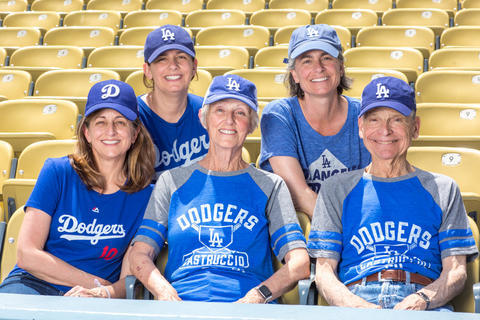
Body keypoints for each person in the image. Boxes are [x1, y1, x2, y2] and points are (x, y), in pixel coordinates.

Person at [129, 74, 310, 303]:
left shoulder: (270, 185)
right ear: (203, 119)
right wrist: (164, 292)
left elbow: (300, 263)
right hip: (182, 306)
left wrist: (258, 296)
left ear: (252, 124)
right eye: (220, 110)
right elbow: (140, 253)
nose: (229, 120)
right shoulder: (172, 181)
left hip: (247, 310)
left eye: (240, 112)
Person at [307, 76, 478, 310]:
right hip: (356, 297)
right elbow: (324, 272)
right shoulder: (335, 189)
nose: (384, 130)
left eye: (396, 119)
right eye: (374, 120)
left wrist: (422, 300)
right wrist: (354, 305)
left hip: (424, 300)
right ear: (361, 127)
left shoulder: (443, 188)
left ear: (415, 127)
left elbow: (456, 271)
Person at [0, 80, 155, 298]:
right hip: (32, 284)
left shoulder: (146, 196)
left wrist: (102, 294)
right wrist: (96, 284)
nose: (110, 131)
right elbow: (27, 254)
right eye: (100, 122)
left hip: (93, 300)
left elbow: (129, 280)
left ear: (135, 133)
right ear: (87, 132)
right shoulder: (57, 172)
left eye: (120, 122)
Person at [258, 24, 371, 219]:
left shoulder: (365, 113)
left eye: (326, 58)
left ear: (341, 66)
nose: (318, 68)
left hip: (360, 221)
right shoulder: (279, 115)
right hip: (302, 231)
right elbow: (299, 195)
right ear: (294, 74)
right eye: (306, 61)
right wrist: (344, 232)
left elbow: (374, 188)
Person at [139, 24, 209, 179]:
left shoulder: (209, 112)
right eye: (162, 59)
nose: (173, 66)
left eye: (181, 57)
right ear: (148, 70)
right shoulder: (132, 117)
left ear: (194, 66)